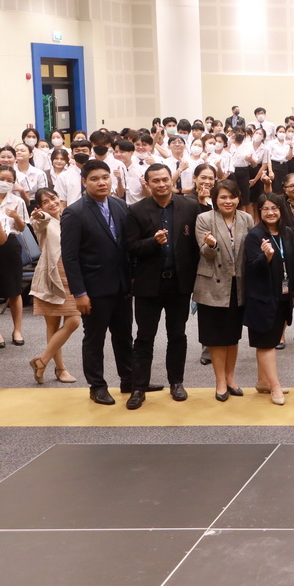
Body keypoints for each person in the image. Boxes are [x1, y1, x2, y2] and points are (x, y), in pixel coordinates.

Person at [124, 163, 201, 407]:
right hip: (148, 284)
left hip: (179, 283)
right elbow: (131, 246)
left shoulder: (190, 206)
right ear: (147, 184)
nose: (161, 184)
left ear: (172, 180)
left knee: (177, 335)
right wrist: (153, 242)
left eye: (165, 179)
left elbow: (196, 246)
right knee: (144, 337)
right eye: (155, 181)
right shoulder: (136, 210)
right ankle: (138, 388)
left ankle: (176, 382)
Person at [59, 160, 133, 405]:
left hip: (122, 285)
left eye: (105, 177)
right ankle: (97, 386)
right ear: (84, 182)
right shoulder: (74, 212)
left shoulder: (120, 205)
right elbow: (70, 257)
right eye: (94, 179)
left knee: (124, 336)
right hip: (93, 288)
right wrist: (79, 293)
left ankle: (129, 380)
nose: (101, 182)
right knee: (94, 339)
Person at [194, 179, 253, 401]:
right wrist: (211, 245)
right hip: (213, 284)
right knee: (216, 336)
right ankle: (220, 381)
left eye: (232, 197)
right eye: (223, 197)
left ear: (239, 198)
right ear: (215, 199)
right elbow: (205, 253)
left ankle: (230, 378)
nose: (228, 201)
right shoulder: (205, 219)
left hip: (239, 284)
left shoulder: (246, 218)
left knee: (233, 335)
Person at [243, 193, 294, 405]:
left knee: (271, 340)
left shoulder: (287, 233)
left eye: (274, 208)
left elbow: (291, 265)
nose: (270, 212)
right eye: (265, 209)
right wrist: (266, 257)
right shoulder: (255, 236)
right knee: (266, 344)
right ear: (259, 211)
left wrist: (292, 293)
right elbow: (253, 268)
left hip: (283, 295)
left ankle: (263, 381)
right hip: (262, 299)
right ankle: (275, 386)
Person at [26, 188, 79, 385]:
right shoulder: (43, 221)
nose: (51, 203)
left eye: (53, 198)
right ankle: (60, 369)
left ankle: (42, 361)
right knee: (53, 325)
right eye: (45, 202)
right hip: (52, 275)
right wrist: (40, 216)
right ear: (40, 207)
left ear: (59, 198)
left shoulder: (68, 218)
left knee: (74, 321)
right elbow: (40, 222)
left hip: (72, 275)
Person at [0, 165, 28, 349]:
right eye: (2, 179)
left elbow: (22, 228)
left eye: (9, 180)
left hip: (10, 245)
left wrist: (16, 217)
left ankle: (17, 330)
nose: (5, 183)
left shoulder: (17, 201)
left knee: (14, 290)